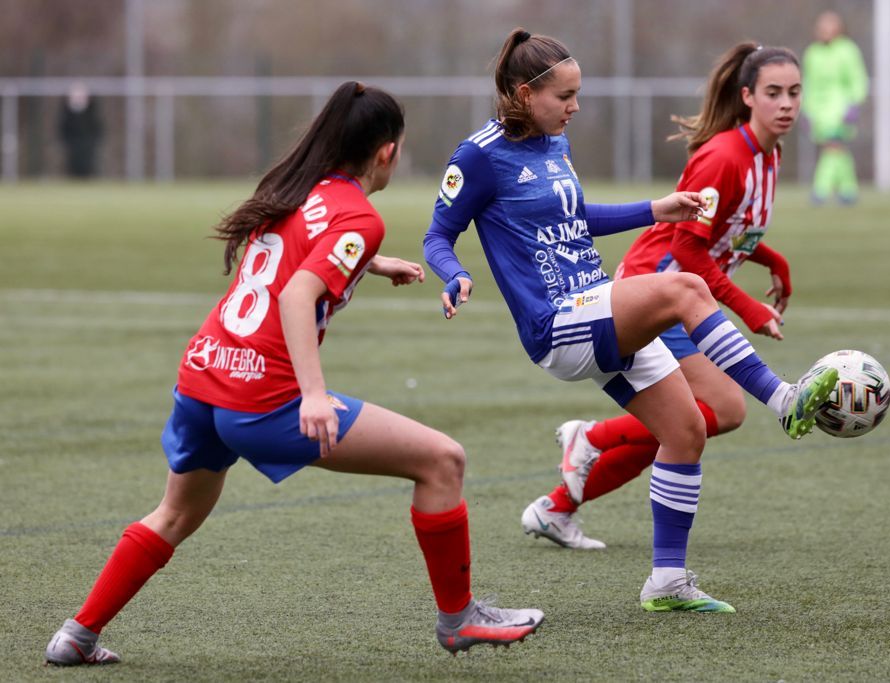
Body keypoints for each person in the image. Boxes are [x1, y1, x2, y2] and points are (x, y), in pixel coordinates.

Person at [43, 81, 543, 666]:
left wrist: (369, 263)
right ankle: (459, 621)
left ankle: (76, 635)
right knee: (442, 460)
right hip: (262, 399)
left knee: (174, 513)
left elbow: (292, 252)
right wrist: (312, 395)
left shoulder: (293, 188)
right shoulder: (360, 215)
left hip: (204, 375)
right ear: (387, 152)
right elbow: (297, 294)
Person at [424, 29, 838, 614]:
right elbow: (438, 234)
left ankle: (666, 580)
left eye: (577, 94)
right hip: (555, 322)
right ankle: (784, 400)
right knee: (684, 287)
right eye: (564, 96)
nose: (575, 107)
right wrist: (452, 274)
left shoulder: (553, 146)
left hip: (595, 304)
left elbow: (577, 217)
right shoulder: (479, 155)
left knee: (688, 430)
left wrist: (655, 208)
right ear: (523, 94)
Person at [521, 42, 807, 551]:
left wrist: (773, 262)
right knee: (717, 412)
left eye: (794, 92)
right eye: (773, 93)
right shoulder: (724, 158)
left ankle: (556, 507)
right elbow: (688, 249)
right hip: (658, 287)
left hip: (683, 288)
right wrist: (748, 308)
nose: (786, 103)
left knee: (688, 423)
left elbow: (730, 231)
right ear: (747, 97)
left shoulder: (769, 155)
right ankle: (594, 438)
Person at [802, 10, 868, 204]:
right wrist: (805, 109)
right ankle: (848, 190)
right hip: (818, 110)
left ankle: (820, 190)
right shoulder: (812, 53)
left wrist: (854, 104)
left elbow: (857, 79)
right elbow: (809, 83)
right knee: (836, 150)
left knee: (833, 147)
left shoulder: (847, 50)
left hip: (840, 108)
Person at [58, 81, 104, 178]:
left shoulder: (92, 110)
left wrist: (93, 141)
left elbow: (97, 127)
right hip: (73, 144)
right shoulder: (66, 112)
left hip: (88, 145)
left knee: (88, 166)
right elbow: (63, 129)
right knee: (73, 166)